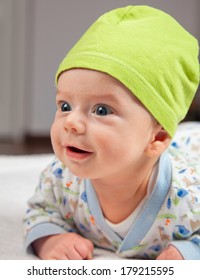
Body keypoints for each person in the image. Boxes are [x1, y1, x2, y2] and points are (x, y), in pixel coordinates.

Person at [24, 5, 200, 260]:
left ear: (157, 138)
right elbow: (39, 212)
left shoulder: (187, 196)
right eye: (65, 106)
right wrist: (50, 239)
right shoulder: (60, 179)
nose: (71, 122)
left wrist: (188, 251)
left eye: (102, 110)